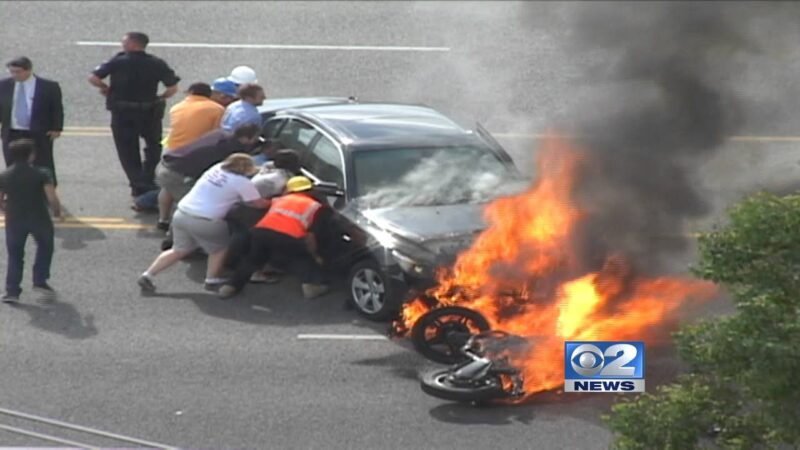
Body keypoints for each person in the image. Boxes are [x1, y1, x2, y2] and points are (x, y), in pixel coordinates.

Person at [137, 153, 269, 293]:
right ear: (245, 169)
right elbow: (257, 203)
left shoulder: (216, 168)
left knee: (179, 250)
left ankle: (148, 274)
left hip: (182, 213)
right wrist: (272, 202)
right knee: (219, 249)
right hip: (205, 219)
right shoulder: (242, 182)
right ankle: (212, 279)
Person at [88, 31, 180, 197]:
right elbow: (172, 88)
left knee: (127, 150)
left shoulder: (118, 60)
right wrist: (161, 97)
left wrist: (106, 88)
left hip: (122, 112)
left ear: (132, 44)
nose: (122, 45)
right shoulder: (157, 63)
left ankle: (137, 183)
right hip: (149, 111)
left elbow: (94, 78)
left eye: (125, 42)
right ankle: (148, 177)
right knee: (153, 146)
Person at [217, 176, 331, 300]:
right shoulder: (316, 207)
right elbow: (310, 236)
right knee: (304, 259)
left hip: (261, 232)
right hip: (290, 236)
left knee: (253, 260)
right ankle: (311, 286)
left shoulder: (279, 199)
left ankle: (231, 286)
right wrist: (315, 256)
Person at [154, 123, 262, 229]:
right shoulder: (230, 149)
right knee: (191, 208)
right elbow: (232, 168)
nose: (256, 141)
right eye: (255, 138)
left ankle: (163, 220)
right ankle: (174, 234)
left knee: (168, 189)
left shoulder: (219, 134)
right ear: (244, 138)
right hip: (176, 173)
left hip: (167, 162)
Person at [0, 139, 62, 303]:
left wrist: (5, 209)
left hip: (14, 220)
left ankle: (12, 291)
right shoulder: (42, 173)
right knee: (45, 246)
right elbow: (52, 197)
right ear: (31, 155)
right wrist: (57, 212)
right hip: (39, 218)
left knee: (15, 254)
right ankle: (39, 280)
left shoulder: (4, 175)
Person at [0, 57, 64, 185]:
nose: (14, 75)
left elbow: (56, 108)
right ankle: (16, 190)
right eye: (12, 71)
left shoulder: (48, 87)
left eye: (18, 72)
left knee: (43, 162)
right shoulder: (3, 85)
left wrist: (57, 127)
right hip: (12, 131)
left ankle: (46, 191)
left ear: (28, 70)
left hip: (38, 132)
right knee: (13, 162)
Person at [163, 82, 223, 151]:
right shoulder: (217, 109)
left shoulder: (176, 108)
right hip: (197, 150)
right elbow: (217, 134)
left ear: (190, 93)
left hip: (171, 149)